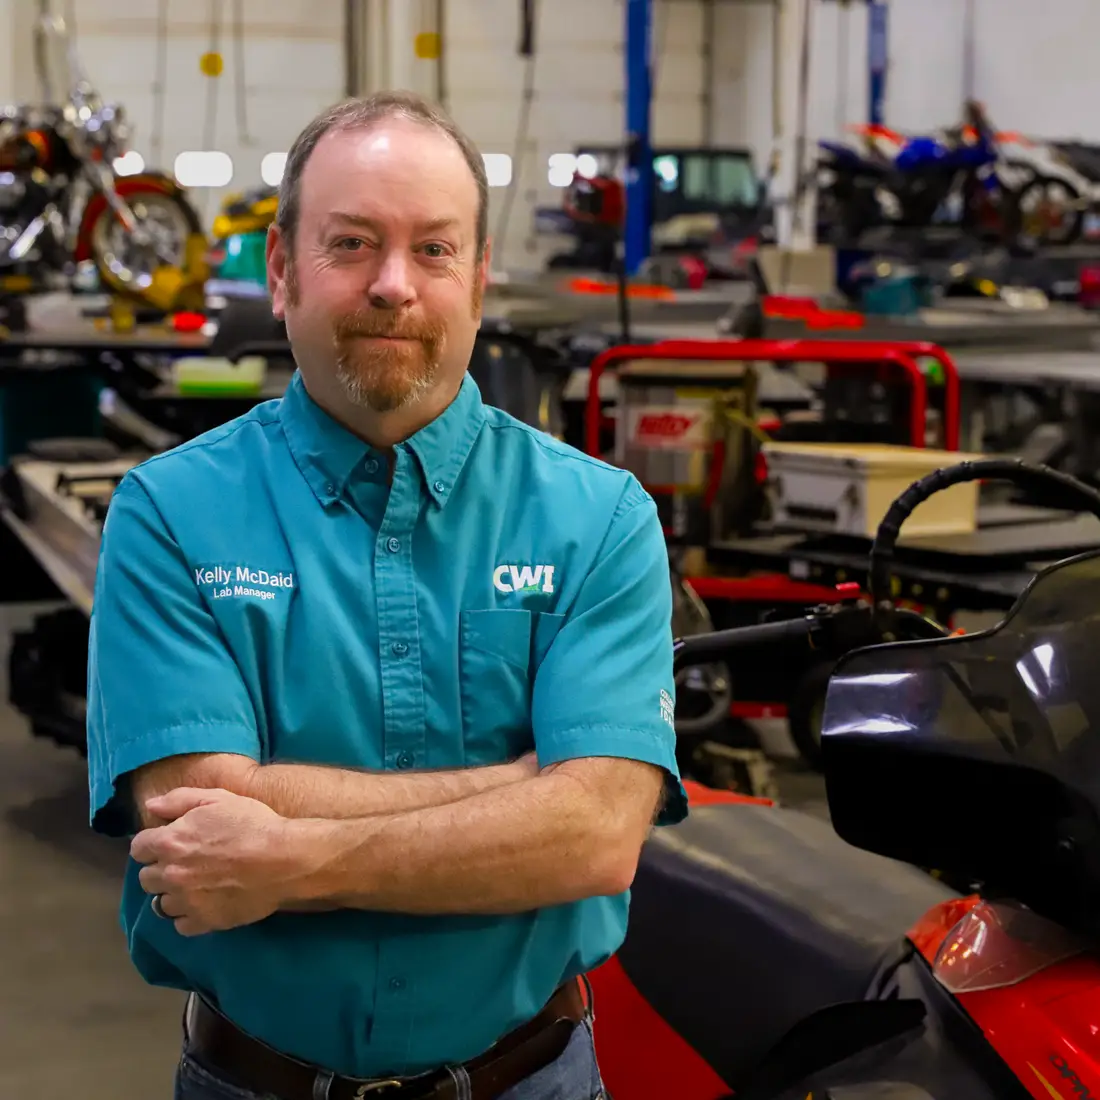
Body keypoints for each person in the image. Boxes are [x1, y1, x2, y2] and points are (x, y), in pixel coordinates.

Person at [86, 90, 686, 1100]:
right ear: (281, 270)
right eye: (352, 243)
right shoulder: (169, 513)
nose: (393, 286)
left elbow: (592, 836)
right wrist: (525, 786)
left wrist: (287, 853)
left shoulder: (597, 518)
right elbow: (197, 812)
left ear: (480, 277)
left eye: (434, 249)